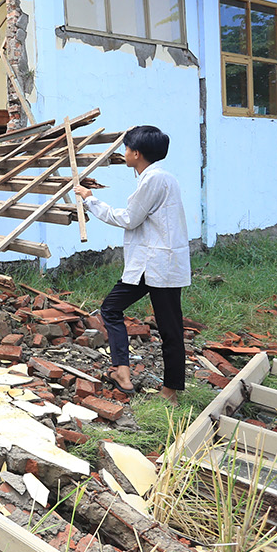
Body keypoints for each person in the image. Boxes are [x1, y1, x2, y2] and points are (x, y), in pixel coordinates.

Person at [73, 125, 190, 406]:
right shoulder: (160, 178)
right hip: (152, 264)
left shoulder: (154, 180)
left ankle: (169, 393)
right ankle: (123, 373)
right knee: (114, 309)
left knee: (168, 328)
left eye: (126, 148)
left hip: (157, 265)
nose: (124, 153)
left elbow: (129, 218)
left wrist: (91, 200)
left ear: (136, 153)